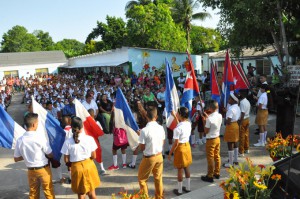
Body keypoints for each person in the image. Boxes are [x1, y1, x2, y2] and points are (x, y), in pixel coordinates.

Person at [14, 113, 55, 199]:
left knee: (33, 193)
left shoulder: (20, 140)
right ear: (33, 124)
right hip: (43, 169)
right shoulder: (40, 137)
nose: (38, 125)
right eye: (37, 123)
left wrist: (26, 155)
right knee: (48, 192)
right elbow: (50, 154)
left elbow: (16, 158)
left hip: (31, 171)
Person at [61, 117, 100, 199]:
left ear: (72, 127)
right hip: (89, 166)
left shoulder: (67, 142)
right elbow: (94, 156)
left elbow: (66, 160)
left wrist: (72, 165)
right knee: (92, 193)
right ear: (82, 126)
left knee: (81, 194)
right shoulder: (89, 139)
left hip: (76, 168)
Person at [138, 106, 165, 199]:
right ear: (156, 117)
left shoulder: (144, 131)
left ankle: (145, 197)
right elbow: (162, 142)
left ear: (146, 116)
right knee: (158, 178)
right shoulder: (161, 128)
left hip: (149, 157)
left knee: (142, 179)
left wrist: (140, 136)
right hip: (159, 155)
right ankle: (159, 197)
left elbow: (142, 148)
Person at [168, 107, 192, 196]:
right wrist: (175, 117)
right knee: (186, 167)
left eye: (177, 113)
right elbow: (181, 125)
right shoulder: (188, 123)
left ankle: (180, 190)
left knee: (180, 169)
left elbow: (176, 143)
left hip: (180, 148)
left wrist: (170, 153)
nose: (176, 114)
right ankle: (188, 187)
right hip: (187, 146)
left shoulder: (177, 129)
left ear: (181, 115)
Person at [201, 100, 222, 183]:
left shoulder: (209, 119)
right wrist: (207, 118)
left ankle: (210, 175)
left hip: (210, 139)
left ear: (210, 108)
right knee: (217, 156)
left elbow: (206, 131)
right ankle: (217, 172)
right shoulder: (219, 115)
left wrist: (204, 120)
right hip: (217, 138)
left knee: (210, 158)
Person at [223, 93, 241, 168]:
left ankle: (230, 162)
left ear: (233, 100)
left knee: (230, 144)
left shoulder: (231, 109)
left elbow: (228, 121)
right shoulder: (237, 107)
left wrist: (225, 114)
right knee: (235, 142)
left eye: (230, 98)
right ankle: (235, 160)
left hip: (231, 126)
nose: (228, 100)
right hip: (236, 125)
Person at [238, 90, 251, 156]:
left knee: (241, 136)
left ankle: (241, 151)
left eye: (239, 93)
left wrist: (240, 122)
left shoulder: (242, 102)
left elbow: (242, 113)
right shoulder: (247, 101)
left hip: (243, 120)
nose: (239, 94)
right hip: (247, 119)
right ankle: (247, 148)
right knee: (246, 134)